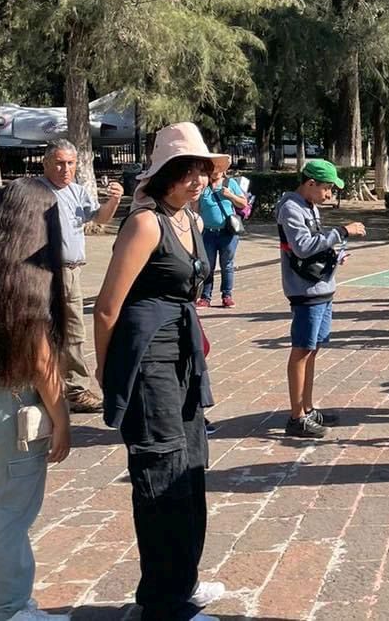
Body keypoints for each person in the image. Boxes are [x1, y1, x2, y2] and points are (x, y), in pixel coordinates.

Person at [94, 123, 228, 621]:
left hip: (182, 354)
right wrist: (109, 376)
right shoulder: (145, 222)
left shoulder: (188, 220)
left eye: (203, 171)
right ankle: (161, 601)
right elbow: (107, 307)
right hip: (147, 355)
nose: (198, 180)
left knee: (191, 466)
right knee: (160, 469)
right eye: (189, 171)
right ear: (167, 173)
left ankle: (182, 580)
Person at [0, 179, 72, 621]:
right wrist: (62, 417)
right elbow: (40, 359)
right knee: (10, 514)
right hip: (11, 407)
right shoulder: (26, 278)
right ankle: (12, 608)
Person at [276, 159, 366, 438]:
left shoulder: (309, 206)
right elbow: (302, 248)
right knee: (302, 350)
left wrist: (335, 254)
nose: (329, 194)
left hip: (322, 287)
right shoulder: (291, 208)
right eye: (326, 188)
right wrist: (341, 231)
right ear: (310, 184)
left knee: (312, 349)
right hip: (306, 291)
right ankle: (296, 416)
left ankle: (307, 406)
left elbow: (314, 244)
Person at [39, 139, 124, 413]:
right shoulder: (37, 191)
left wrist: (114, 200)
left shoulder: (77, 191)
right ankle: (73, 389)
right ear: (46, 163)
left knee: (70, 330)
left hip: (72, 271)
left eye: (70, 163)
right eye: (59, 163)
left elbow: (99, 219)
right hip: (46, 270)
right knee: (63, 329)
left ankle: (68, 387)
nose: (66, 169)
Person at [194, 165, 247, 309]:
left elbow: (243, 203)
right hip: (208, 233)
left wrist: (230, 195)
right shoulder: (204, 186)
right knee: (208, 266)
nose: (214, 173)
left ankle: (227, 296)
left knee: (227, 265)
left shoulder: (230, 184)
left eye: (217, 170)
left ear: (223, 171)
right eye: (212, 170)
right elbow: (195, 208)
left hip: (227, 233)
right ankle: (205, 297)